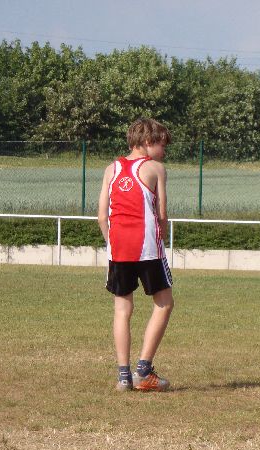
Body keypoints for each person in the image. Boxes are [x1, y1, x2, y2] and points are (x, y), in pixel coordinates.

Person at [97, 117, 174, 392]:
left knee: (122, 310)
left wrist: (112, 244)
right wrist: (161, 239)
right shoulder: (156, 169)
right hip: (148, 247)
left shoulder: (111, 169)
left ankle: (123, 377)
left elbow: (101, 216)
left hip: (118, 248)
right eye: (162, 145)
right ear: (147, 142)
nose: (164, 151)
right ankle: (143, 370)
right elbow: (161, 214)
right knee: (164, 303)